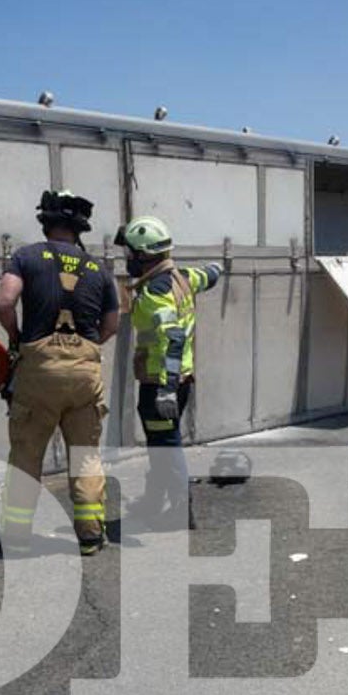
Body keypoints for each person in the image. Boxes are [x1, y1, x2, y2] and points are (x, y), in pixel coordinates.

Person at [0, 190, 120, 554]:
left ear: (45, 222)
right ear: (80, 229)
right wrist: (89, 348)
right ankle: (91, 535)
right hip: (84, 372)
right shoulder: (98, 268)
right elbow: (112, 322)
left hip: (38, 369)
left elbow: (5, 300)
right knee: (85, 455)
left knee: (27, 453)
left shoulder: (26, 256)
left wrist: (16, 338)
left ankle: (17, 536)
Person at [116, 216, 223, 530]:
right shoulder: (184, 277)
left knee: (166, 445)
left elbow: (173, 337)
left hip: (160, 384)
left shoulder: (154, 295)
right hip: (182, 381)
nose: (128, 260)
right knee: (160, 443)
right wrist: (218, 268)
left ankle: (179, 511)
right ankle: (154, 501)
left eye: (131, 255)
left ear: (144, 256)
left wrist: (165, 390)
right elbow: (211, 274)